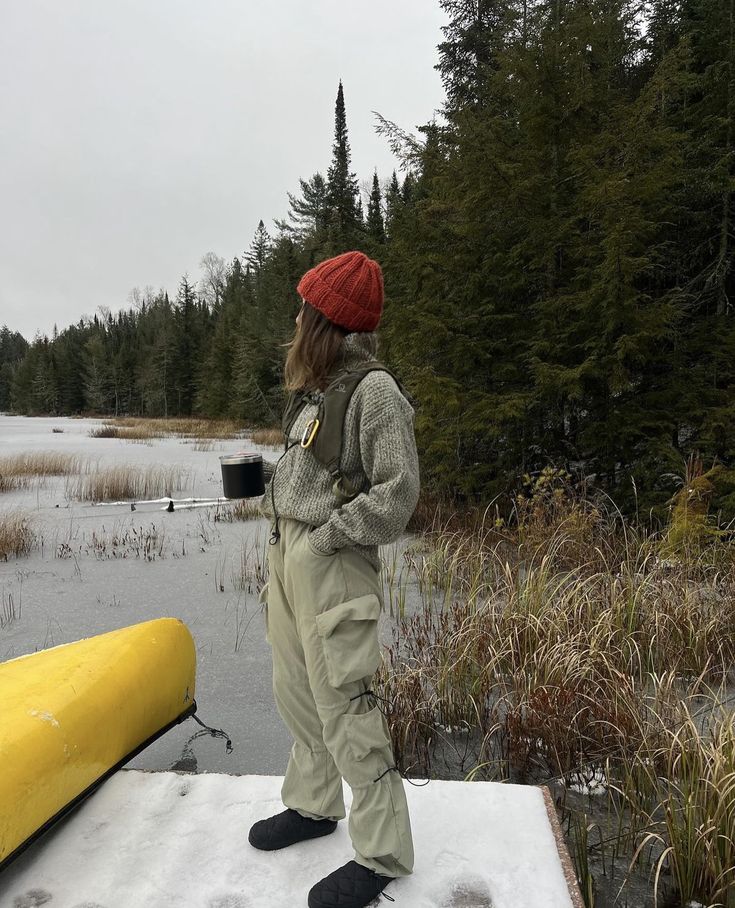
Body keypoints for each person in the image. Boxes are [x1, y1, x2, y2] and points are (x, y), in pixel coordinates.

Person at [250, 250, 420, 908]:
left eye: (303, 308)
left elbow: (397, 496)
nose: (294, 318)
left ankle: (382, 853)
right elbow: (312, 477)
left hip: (331, 564)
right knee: (296, 693)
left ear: (324, 319)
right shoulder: (319, 388)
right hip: (289, 557)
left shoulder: (374, 392)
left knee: (347, 705)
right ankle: (313, 806)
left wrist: (324, 539)